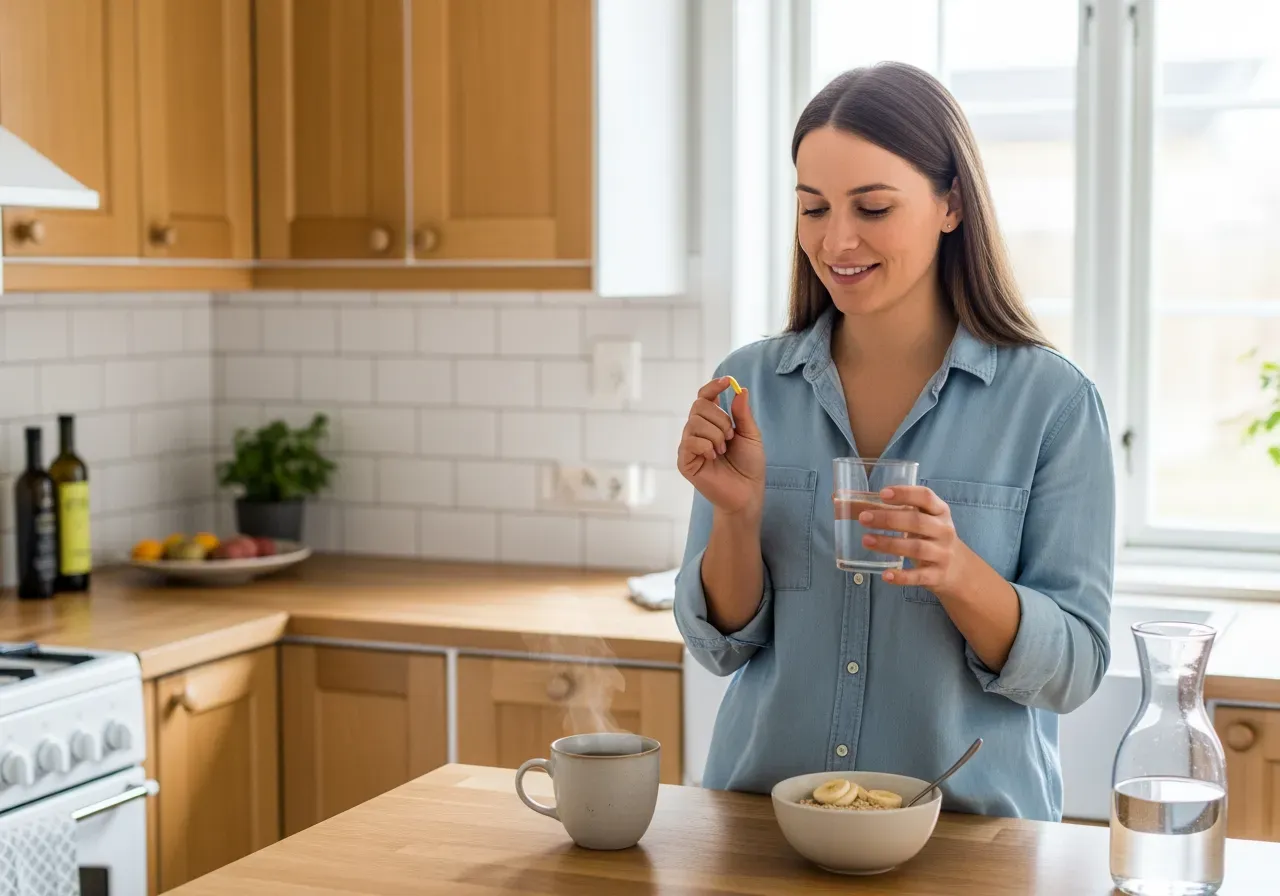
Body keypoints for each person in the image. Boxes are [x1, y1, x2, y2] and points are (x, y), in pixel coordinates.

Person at [673, 62, 1115, 821]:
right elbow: (721, 648)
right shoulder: (748, 385)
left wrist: (957, 572)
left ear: (950, 204)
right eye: (813, 209)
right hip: (763, 830)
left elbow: (1072, 671)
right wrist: (738, 516)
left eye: (872, 207)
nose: (836, 239)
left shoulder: (1052, 403)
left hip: (969, 845)